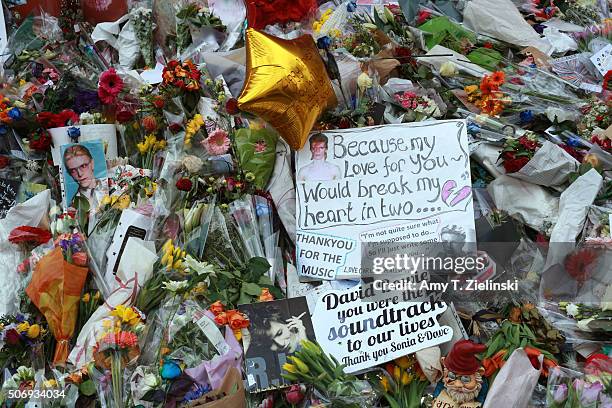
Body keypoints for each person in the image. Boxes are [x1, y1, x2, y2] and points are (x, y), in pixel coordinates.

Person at [432, 340, 489, 408]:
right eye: (451, 376)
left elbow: (483, 399)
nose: (457, 385)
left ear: (480, 372)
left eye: (465, 379)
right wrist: (436, 398)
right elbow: (437, 392)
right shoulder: (443, 382)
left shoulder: (483, 385)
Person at [63, 144, 103, 210]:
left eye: (83, 166)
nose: (80, 174)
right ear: (69, 174)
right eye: (73, 170)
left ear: (92, 163)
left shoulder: (109, 184)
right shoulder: (73, 206)